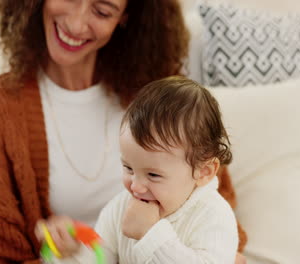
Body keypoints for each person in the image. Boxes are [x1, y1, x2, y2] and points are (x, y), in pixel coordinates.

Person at [0, 0, 246, 263]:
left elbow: (216, 206)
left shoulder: (163, 96)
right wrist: (65, 252)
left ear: (126, 15)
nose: (76, 23)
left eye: (102, 11)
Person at [36, 76, 238, 263]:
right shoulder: (120, 208)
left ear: (203, 171)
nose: (135, 186)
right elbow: (100, 259)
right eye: (129, 168)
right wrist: (72, 251)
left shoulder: (213, 215)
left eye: (153, 175)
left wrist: (151, 234)